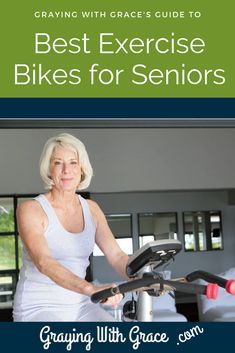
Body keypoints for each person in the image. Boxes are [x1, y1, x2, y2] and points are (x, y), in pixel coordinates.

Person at [13, 133, 129, 321]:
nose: (67, 170)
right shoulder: (30, 209)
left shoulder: (92, 209)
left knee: (114, 337)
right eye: (58, 162)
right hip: (38, 307)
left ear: (82, 168)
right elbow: (44, 262)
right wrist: (91, 289)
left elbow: (116, 256)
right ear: (49, 169)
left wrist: (139, 275)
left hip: (81, 304)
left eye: (73, 162)